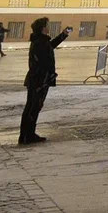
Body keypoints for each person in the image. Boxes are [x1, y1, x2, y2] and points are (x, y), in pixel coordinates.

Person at [19, 17, 70, 146]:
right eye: (47, 25)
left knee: (33, 107)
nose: (48, 27)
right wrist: (47, 77)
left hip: (38, 79)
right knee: (33, 108)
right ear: (42, 28)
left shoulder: (40, 41)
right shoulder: (40, 43)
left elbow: (50, 46)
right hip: (39, 81)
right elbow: (42, 62)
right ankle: (27, 135)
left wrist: (63, 35)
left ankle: (27, 134)